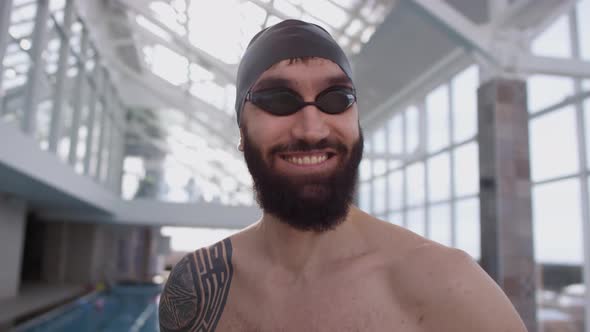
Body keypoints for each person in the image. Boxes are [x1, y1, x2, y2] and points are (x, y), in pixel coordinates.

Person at [158, 19, 527, 332]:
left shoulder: (450, 289)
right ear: (241, 130)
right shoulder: (197, 291)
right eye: (278, 99)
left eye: (336, 98)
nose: (312, 129)